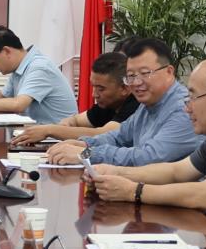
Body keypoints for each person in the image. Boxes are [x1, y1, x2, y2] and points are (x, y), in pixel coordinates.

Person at [87, 57, 206, 215]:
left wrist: (132, 191)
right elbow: (176, 171)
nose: (187, 108)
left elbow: (205, 195)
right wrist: (114, 172)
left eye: (193, 97)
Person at [46, 38, 197, 167]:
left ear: (169, 72)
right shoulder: (148, 104)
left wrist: (86, 154)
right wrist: (84, 144)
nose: (136, 83)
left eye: (145, 73)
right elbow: (118, 137)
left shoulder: (183, 109)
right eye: (131, 76)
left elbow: (148, 157)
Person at [0, 26, 77, 126]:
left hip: (57, 140)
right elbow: (4, 95)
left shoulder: (39, 67)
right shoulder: (20, 66)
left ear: (6, 51)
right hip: (36, 135)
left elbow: (18, 104)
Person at [12, 51, 138, 145]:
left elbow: (104, 135)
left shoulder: (136, 105)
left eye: (101, 89)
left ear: (124, 88)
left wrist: (50, 130)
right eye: (93, 86)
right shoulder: (108, 104)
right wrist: (65, 125)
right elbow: (75, 120)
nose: (94, 94)